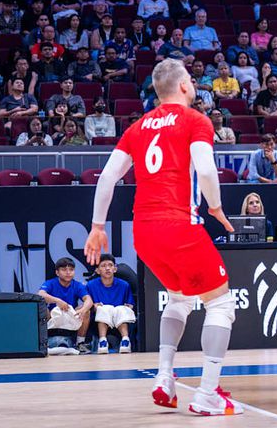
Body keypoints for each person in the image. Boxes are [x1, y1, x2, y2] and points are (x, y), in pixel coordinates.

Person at [83, 58, 242, 415]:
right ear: (184, 86)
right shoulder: (195, 120)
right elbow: (206, 170)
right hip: (179, 225)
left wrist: (97, 226)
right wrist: (216, 207)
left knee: (179, 299)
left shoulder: (138, 127)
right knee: (220, 305)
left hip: (144, 231)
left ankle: (165, 378)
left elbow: (106, 178)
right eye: (191, 81)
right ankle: (207, 393)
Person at [37, 257, 93, 354]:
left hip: (70, 316)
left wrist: (83, 310)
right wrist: (58, 301)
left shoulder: (77, 285)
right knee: (42, 308)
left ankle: (80, 343)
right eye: (64, 270)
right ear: (57, 272)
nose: (68, 272)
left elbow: (89, 300)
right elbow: (40, 294)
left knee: (86, 310)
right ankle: (43, 342)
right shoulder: (50, 283)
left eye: (71, 270)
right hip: (53, 317)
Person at [87, 253, 135, 354]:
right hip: (99, 319)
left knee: (121, 309)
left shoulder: (124, 285)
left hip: (119, 317)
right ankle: (102, 341)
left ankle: (125, 341)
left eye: (110, 265)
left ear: (115, 269)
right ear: (97, 270)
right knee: (103, 308)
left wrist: (128, 307)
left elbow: (130, 304)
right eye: (103, 266)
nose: (107, 268)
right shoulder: (91, 285)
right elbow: (88, 305)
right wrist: (94, 306)